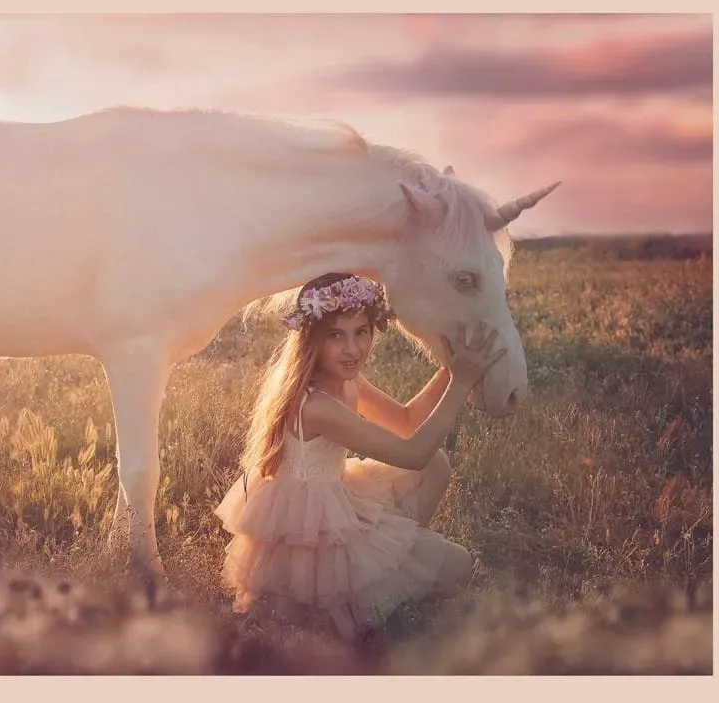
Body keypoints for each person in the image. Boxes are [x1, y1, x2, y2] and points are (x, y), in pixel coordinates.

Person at [214, 271, 505, 639]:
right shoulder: (316, 405)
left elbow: (406, 421)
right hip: (310, 530)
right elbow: (413, 452)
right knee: (459, 567)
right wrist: (462, 382)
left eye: (361, 332)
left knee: (436, 465)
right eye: (336, 335)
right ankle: (366, 598)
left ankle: (391, 569)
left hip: (335, 494)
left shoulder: (346, 380)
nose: (352, 349)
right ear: (312, 340)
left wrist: (451, 369)